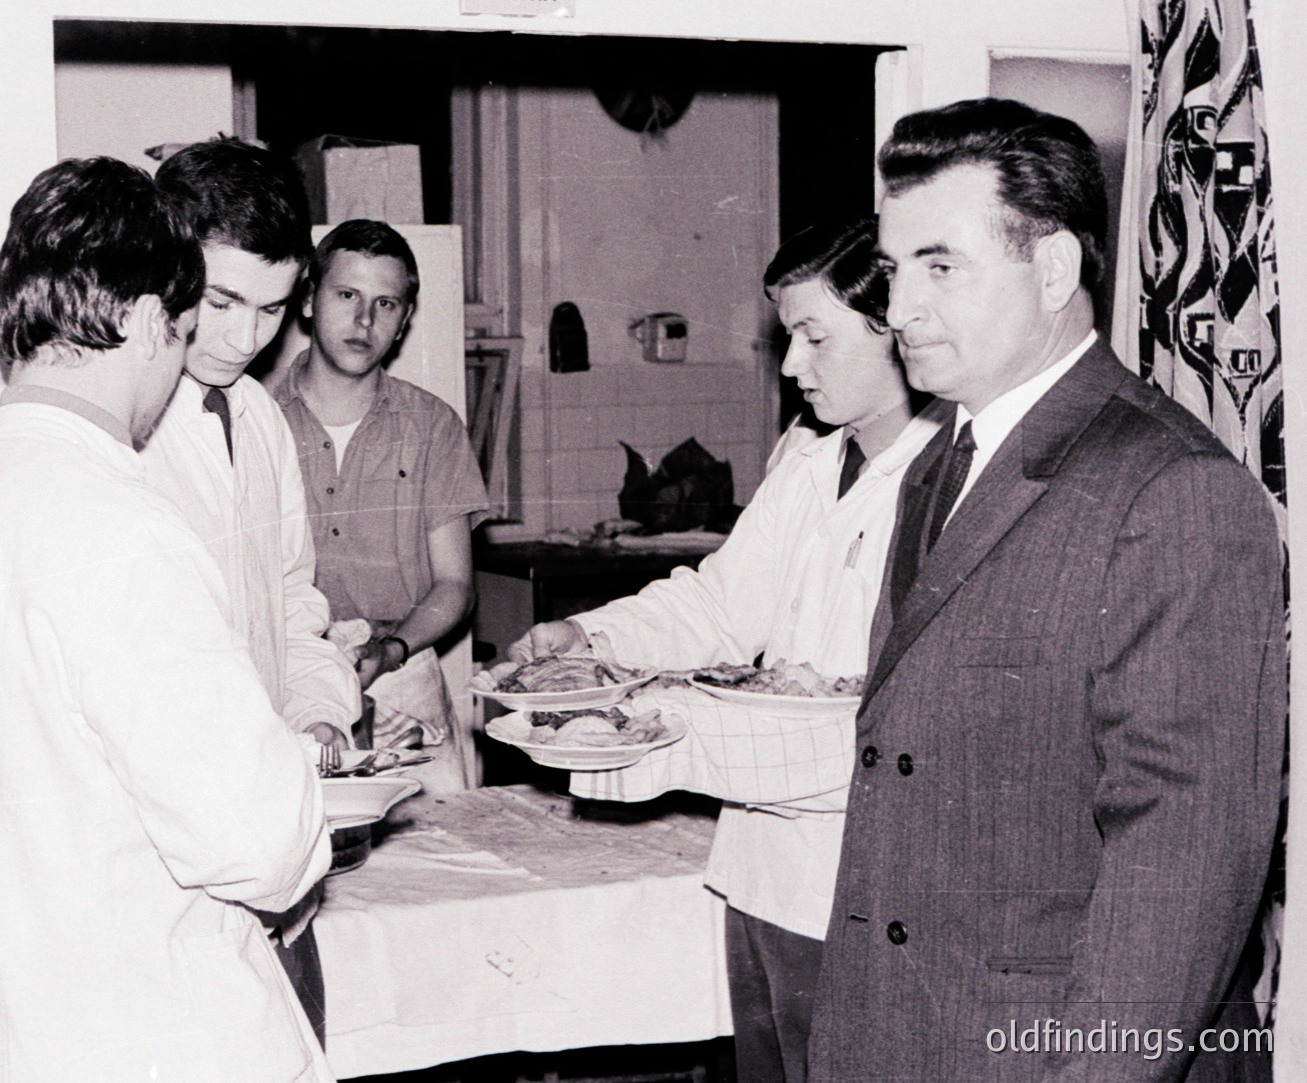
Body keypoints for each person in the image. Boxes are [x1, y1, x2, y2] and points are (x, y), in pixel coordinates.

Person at [807, 98, 1285, 1082]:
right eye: (897, 274)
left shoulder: (1172, 489)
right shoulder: (943, 459)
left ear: (1055, 270)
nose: (898, 312)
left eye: (942, 268)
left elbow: (1183, 864)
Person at [0, 158, 333, 1082]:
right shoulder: (118, 529)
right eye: (188, 321)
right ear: (140, 320)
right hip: (148, 1035)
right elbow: (263, 845)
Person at [510, 215, 941, 1083]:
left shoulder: (944, 480)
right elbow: (718, 606)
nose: (790, 366)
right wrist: (588, 635)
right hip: (758, 872)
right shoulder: (810, 466)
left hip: (862, 883)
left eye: (813, 337)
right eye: (788, 339)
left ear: (893, 329)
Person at [141, 136, 361, 1047]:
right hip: (171, 881)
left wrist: (319, 716)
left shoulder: (263, 419)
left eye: (272, 310)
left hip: (279, 864)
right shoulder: (129, 433)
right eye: (220, 302)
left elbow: (293, 603)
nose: (243, 338)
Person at [272, 219, 490, 794]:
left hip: (402, 678)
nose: (364, 321)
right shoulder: (256, 420)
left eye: (385, 303)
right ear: (309, 301)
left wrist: (390, 650)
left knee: (437, 865)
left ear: (403, 320)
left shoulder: (433, 426)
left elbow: (454, 585)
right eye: (347, 295)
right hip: (288, 686)